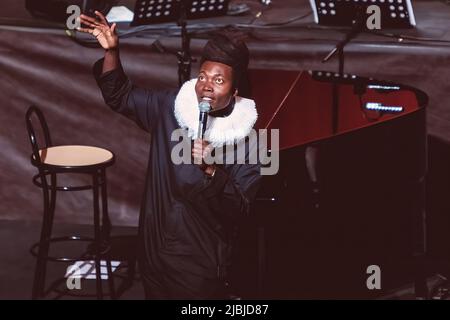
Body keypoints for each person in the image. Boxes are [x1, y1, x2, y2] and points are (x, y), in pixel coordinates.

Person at [78, 11, 262, 299]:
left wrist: (213, 172)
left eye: (218, 80)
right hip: (154, 253)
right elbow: (120, 96)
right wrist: (112, 51)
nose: (207, 86)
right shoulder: (171, 109)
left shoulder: (248, 141)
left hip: (197, 267)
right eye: (203, 76)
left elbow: (241, 210)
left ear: (235, 89)